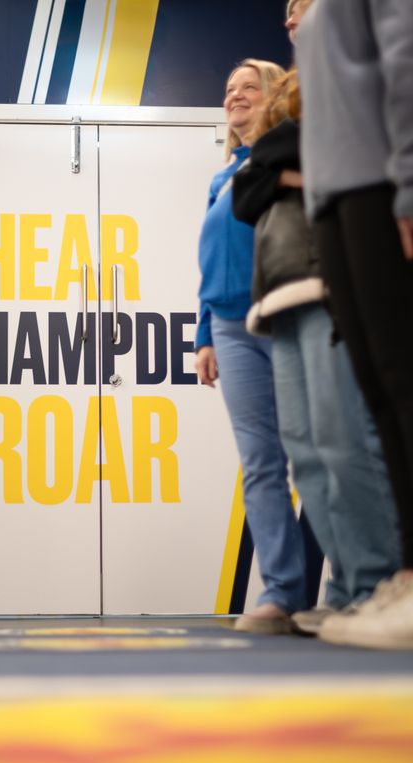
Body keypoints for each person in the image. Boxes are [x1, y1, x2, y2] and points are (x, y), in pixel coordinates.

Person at [231, 4, 401, 636]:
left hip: (326, 275)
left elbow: (313, 155)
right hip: (276, 293)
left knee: (343, 439)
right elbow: (250, 190)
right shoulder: (297, 96)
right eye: (286, 13)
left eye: (301, 5)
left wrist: (273, 164)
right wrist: (273, 166)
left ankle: (377, 581)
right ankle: (353, 585)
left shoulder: (347, 72)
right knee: (307, 452)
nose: (292, 19)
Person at [297, 0, 413, 649]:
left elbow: (406, 58)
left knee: (403, 380)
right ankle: (407, 576)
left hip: (381, 183)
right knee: (379, 386)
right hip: (336, 198)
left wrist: (410, 183)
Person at [195, 59, 308, 634]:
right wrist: (205, 335)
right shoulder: (222, 179)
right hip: (231, 329)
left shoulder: (291, 160)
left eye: (248, 87)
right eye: (228, 89)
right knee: (261, 464)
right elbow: (210, 264)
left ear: (276, 97)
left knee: (316, 455)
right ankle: (283, 593)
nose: (235, 96)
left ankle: (343, 589)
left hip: (286, 316)